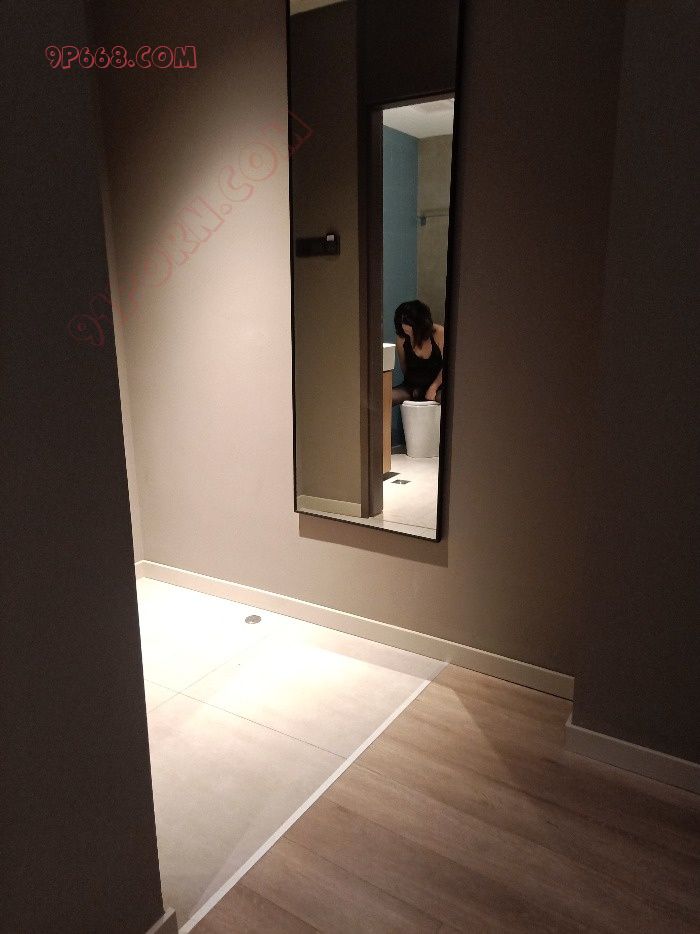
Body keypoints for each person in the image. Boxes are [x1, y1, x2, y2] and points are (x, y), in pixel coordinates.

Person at [392, 300, 444, 405]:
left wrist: (434, 387)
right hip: (412, 386)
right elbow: (404, 367)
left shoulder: (439, 333)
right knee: (386, 397)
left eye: (407, 323)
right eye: (401, 322)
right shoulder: (402, 337)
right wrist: (415, 388)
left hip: (438, 385)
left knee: (448, 399)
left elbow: (447, 365)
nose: (404, 326)